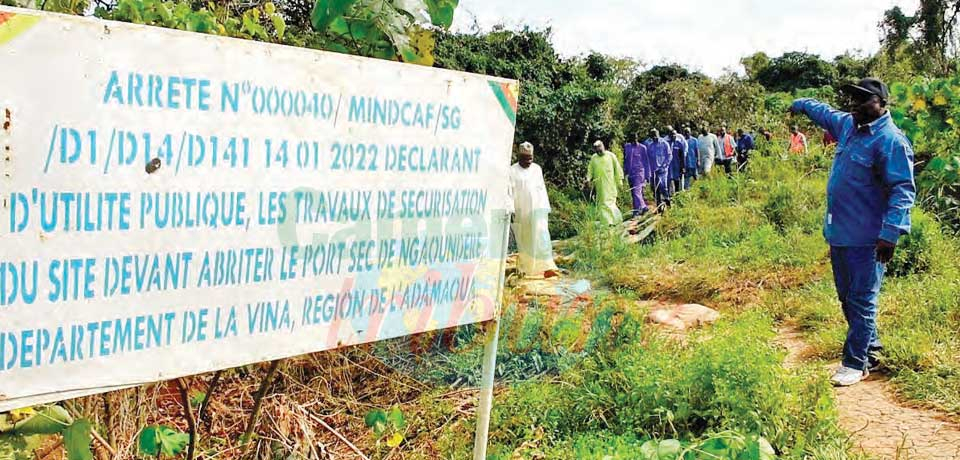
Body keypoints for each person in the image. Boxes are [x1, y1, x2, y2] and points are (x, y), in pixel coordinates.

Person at [789, 77, 916, 387]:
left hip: (870, 238)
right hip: (840, 233)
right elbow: (823, 112)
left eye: (864, 101)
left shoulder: (891, 141)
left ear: (882, 104)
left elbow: (902, 189)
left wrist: (891, 233)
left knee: (862, 299)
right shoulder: (848, 125)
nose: (855, 106)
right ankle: (872, 351)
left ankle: (854, 363)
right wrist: (800, 103)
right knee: (847, 298)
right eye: (853, 100)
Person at [509, 142, 560, 278]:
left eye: (530, 158)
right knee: (525, 239)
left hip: (538, 209)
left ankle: (547, 266)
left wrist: (545, 208)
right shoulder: (512, 171)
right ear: (519, 156)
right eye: (525, 159)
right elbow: (509, 192)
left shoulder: (537, 169)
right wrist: (511, 209)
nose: (528, 162)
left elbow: (541, 189)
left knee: (541, 236)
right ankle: (527, 268)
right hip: (522, 211)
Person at [587, 140, 624, 225]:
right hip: (599, 185)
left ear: (603, 147)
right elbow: (590, 170)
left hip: (610, 184)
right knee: (602, 204)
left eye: (600, 150)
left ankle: (616, 220)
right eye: (597, 151)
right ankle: (607, 222)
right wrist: (588, 179)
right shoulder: (594, 158)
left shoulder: (611, 156)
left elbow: (617, 169)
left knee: (610, 203)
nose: (599, 152)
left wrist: (620, 182)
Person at [623, 135, 650, 217]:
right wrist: (624, 172)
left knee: (636, 191)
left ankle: (644, 207)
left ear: (637, 139)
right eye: (632, 140)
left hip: (639, 172)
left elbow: (646, 162)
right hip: (630, 173)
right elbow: (625, 159)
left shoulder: (642, 148)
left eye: (635, 139)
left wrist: (648, 175)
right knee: (633, 192)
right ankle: (636, 210)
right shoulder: (627, 147)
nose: (634, 141)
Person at [647, 129, 673, 210]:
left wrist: (664, 165)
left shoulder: (664, 143)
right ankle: (659, 206)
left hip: (663, 170)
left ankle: (668, 202)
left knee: (663, 187)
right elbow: (649, 158)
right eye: (653, 136)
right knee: (655, 188)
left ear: (658, 135)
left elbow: (669, 156)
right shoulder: (650, 146)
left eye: (656, 135)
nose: (655, 138)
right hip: (654, 170)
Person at [667, 126, 687, 193]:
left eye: (674, 134)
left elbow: (682, 157)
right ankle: (669, 196)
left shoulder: (679, 144)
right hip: (669, 166)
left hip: (677, 166)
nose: (673, 135)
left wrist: (683, 167)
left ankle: (677, 194)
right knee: (669, 181)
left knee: (677, 180)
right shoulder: (666, 144)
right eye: (672, 134)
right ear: (669, 135)